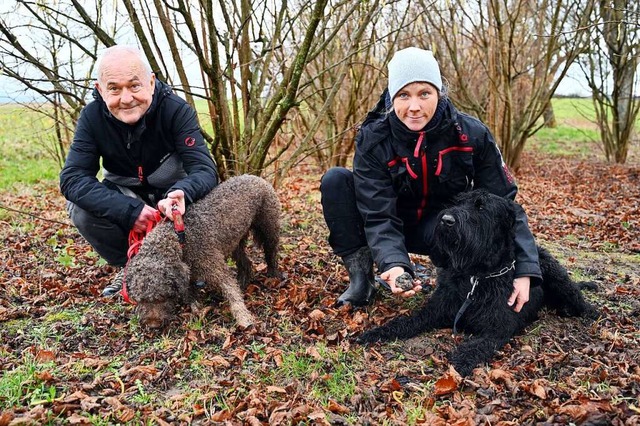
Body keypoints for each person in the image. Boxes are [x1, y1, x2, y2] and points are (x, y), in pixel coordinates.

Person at [320, 47, 541, 311]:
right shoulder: (374, 139)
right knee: (336, 180)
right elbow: (378, 212)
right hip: (389, 223)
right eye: (404, 95)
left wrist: (525, 269)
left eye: (424, 94)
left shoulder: (471, 134)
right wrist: (393, 262)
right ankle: (361, 280)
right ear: (392, 98)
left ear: (439, 92)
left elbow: (504, 204)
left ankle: (454, 278)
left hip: (441, 228)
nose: (414, 107)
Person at [60, 45, 218, 296]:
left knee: (205, 200)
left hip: (174, 201)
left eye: (134, 86)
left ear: (152, 83)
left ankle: (192, 265)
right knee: (78, 207)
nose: (126, 98)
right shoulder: (92, 118)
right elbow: (72, 179)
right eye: (114, 88)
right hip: (128, 196)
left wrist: (181, 193)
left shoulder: (176, 110)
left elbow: (204, 169)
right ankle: (130, 266)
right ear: (100, 90)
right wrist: (129, 211)